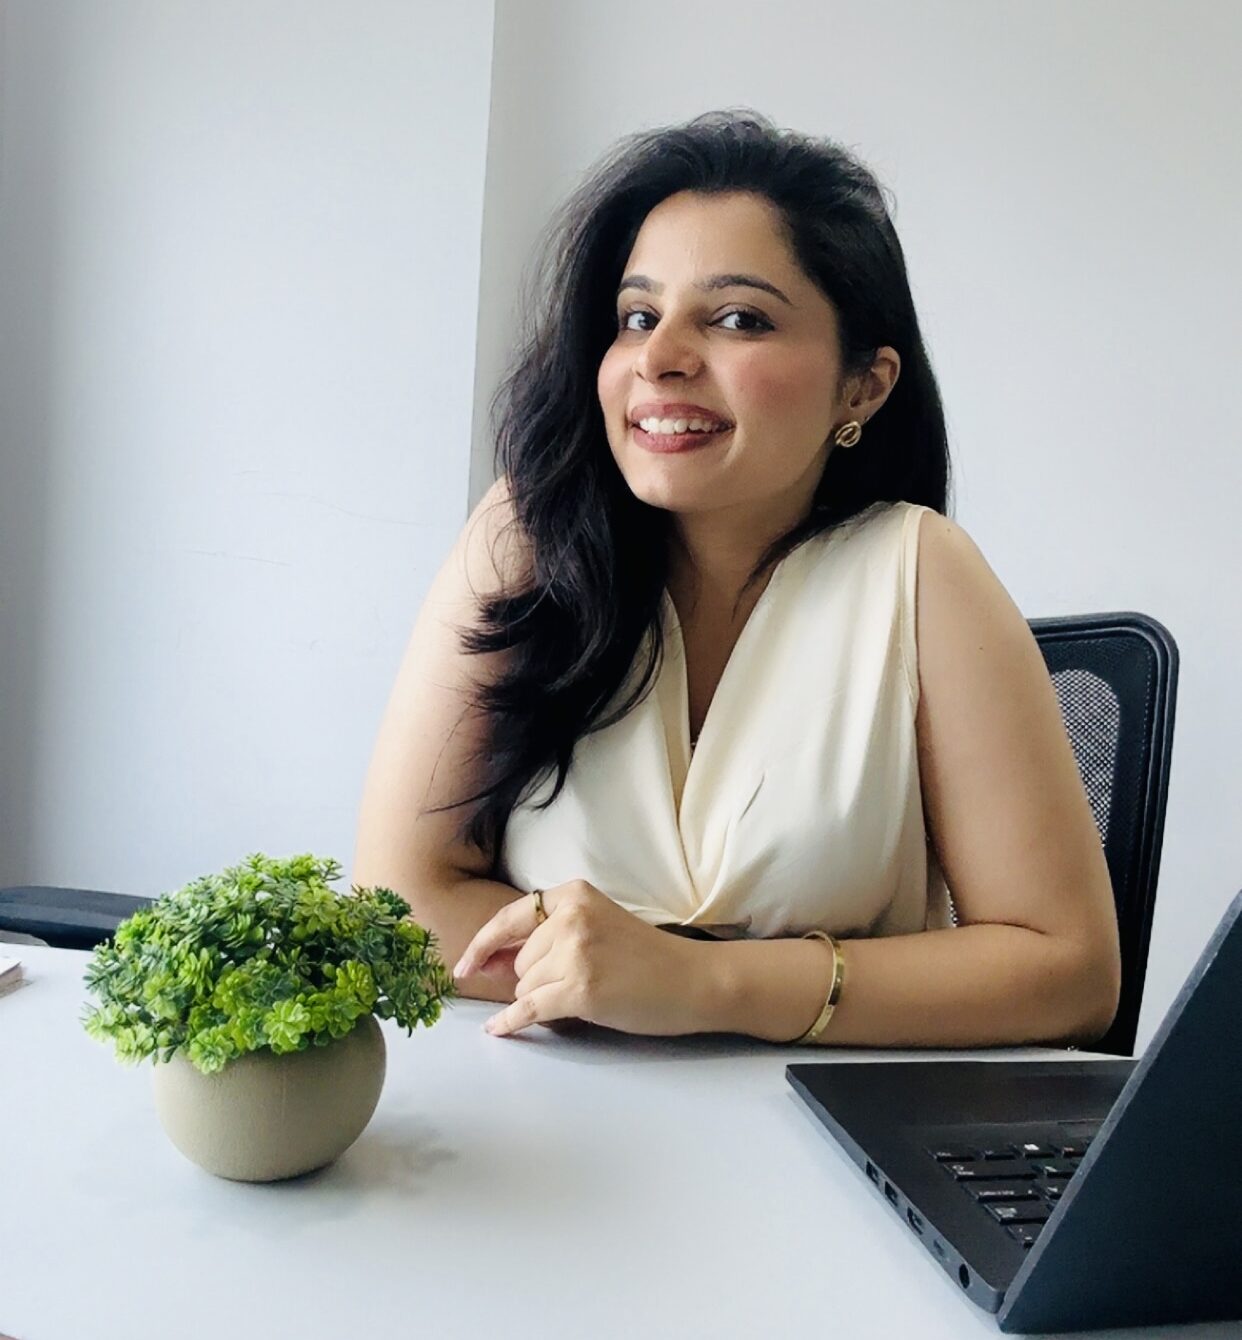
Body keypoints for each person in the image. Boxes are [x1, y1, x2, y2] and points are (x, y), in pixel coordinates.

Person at [352, 109, 1121, 1048]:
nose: (659, 359)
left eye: (738, 319)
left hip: (820, 1120)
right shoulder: (525, 537)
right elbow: (398, 902)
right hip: (544, 1112)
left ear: (863, 386)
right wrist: (596, 978)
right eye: (638, 317)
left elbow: (1070, 969)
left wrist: (704, 984)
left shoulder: (923, 575)